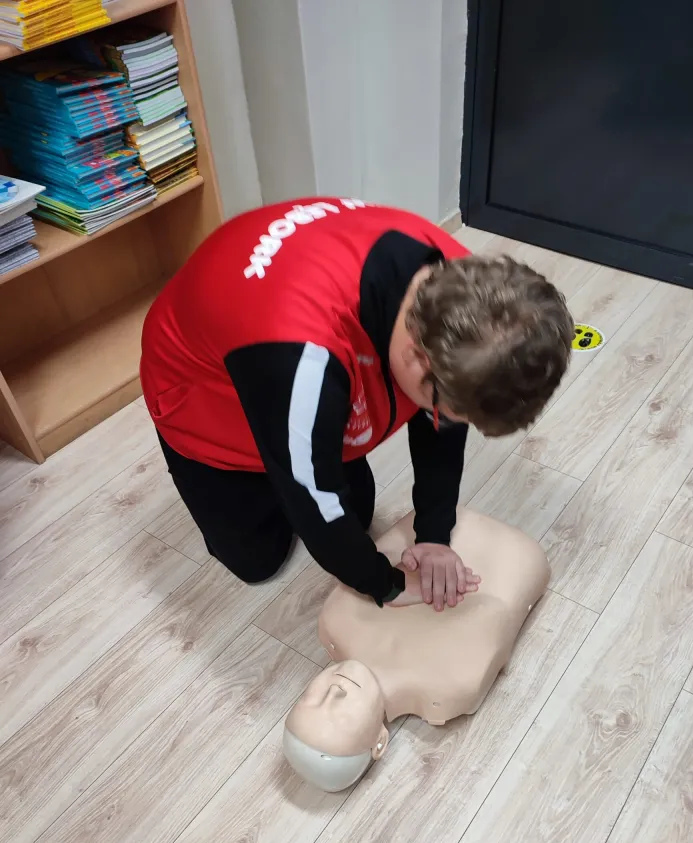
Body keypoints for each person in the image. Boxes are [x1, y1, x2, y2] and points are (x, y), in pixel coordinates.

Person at [140, 196, 572, 613]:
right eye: (448, 411)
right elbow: (313, 497)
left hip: (278, 354)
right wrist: (385, 584)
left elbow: (441, 423)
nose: (448, 421)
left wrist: (434, 534)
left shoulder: (468, 292)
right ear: (418, 356)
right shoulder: (300, 356)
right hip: (202, 393)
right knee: (258, 560)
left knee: (357, 514)